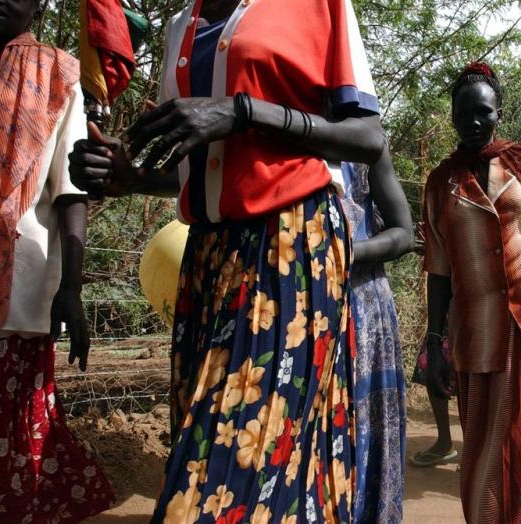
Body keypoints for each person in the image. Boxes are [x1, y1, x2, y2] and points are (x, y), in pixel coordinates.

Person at [69, 0, 385, 521]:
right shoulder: (181, 29)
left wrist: (243, 111)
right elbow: (198, 162)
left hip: (290, 247)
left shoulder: (317, 7)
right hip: (208, 257)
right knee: (227, 446)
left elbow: (368, 138)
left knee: (220, 469)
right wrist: (132, 179)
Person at [423, 62, 521, 523]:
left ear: (499, 113)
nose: (473, 122)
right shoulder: (440, 182)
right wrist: (434, 343)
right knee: (484, 447)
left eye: (483, 113)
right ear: (451, 115)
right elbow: (439, 269)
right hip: (475, 331)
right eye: (463, 114)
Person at [0, 1, 115, 521]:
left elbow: (70, 192)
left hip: (17, 290)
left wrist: (72, 287)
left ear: (38, 5)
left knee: (11, 433)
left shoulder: (57, 73)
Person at [340, 148, 412, 523]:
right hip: (293, 306)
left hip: (363, 305)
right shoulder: (270, 133)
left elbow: (403, 233)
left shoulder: (365, 146)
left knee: (367, 425)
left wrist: (343, 252)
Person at [409, 222, 458, 468]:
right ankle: (445, 442)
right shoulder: (444, 199)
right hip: (449, 307)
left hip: (481, 308)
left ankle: (475, 451)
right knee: (431, 366)